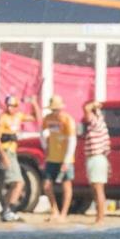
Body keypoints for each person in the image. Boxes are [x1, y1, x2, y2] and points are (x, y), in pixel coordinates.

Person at [0, 94, 40, 222]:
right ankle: (10, 211)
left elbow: (36, 118)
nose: (9, 108)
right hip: (6, 152)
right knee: (19, 183)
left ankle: (6, 210)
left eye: (12, 106)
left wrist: (34, 103)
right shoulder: (3, 118)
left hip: (13, 153)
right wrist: (3, 157)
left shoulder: (18, 117)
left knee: (16, 183)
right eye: (7, 105)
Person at [41, 94, 77, 222]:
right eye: (53, 110)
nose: (55, 112)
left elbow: (72, 141)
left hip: (65, 159)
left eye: (57, 109)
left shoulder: (67, 120)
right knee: (46, 185)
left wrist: (67, 160)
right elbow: (43, 133)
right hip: (52, 157)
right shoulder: (48, 119)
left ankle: (64, 214)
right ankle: (54, 210)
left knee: (66, 185)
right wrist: (45, 146)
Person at [82, 100, 111, 225]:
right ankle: (99, 217)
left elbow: (87, 109)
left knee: (98, 189)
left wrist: (94, 104)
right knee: (96, 188)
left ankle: (100, 218)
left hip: (96, 157)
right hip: (98, 158)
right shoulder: (100, 122)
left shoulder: (96, 122)